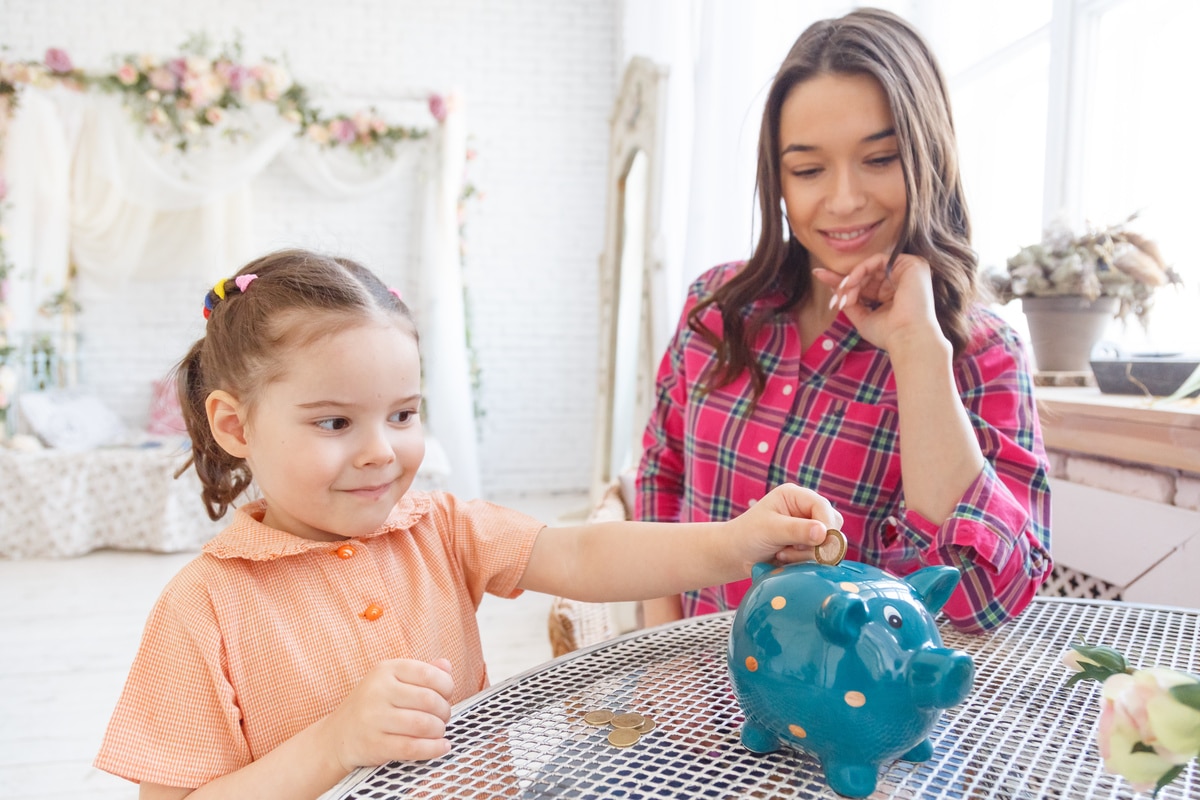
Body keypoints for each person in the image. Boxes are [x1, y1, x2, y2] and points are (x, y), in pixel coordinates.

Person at [94, 249, 842, 799]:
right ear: (235, 425)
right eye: (334, 421)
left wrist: (738, 540)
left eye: (403, 414)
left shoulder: (439, 528)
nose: (381, 451)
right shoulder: (203, 608)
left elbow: (581, 553)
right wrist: (333, 744)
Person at [636, 7, 1052, 635]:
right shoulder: (715, 308)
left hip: (869, 726)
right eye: (808, 170)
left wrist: (914, 348)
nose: (845, 199)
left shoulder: (983, 353)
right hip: (695, 708)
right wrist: (657, 657)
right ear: (777, 181)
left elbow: (980, 602)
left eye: (880, 159)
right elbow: (661, 478)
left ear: (928, 156)